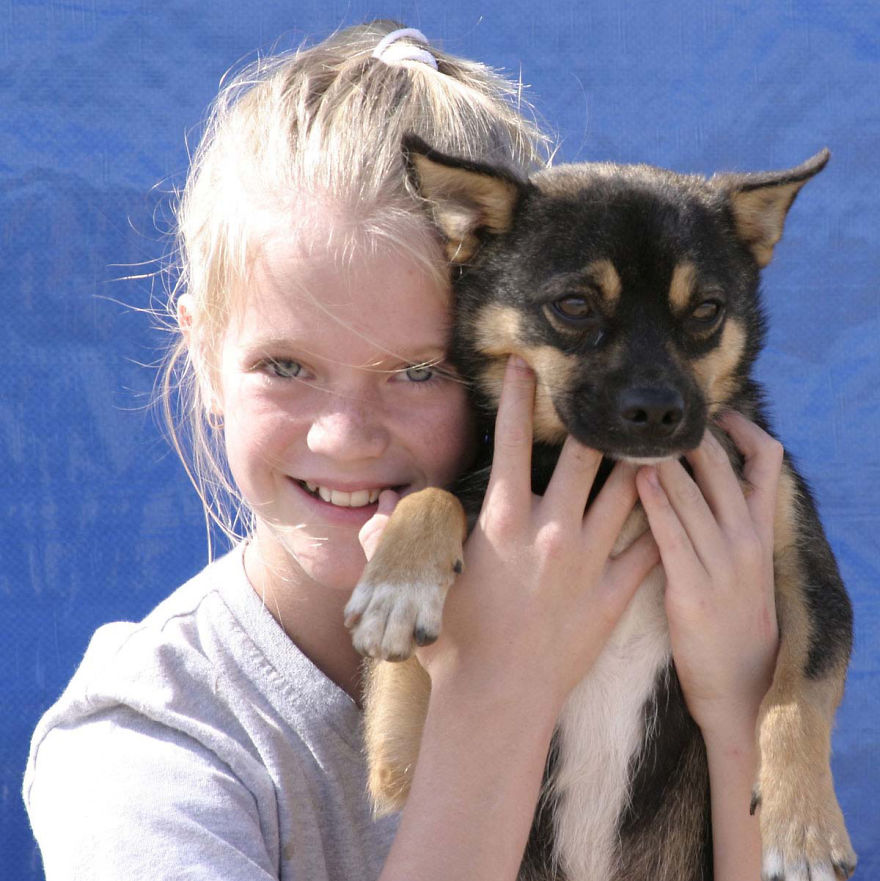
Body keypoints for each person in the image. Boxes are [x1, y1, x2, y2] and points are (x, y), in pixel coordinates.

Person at [23, 22, 781, 881]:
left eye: (420, 370)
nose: (344, 434)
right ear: (202, 357)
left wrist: (739, 706)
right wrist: (504, 696)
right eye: (285, 366)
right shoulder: (150, 744)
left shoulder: (660, 602)